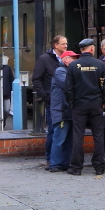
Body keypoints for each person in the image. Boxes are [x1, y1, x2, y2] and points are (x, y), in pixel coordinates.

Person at [64, 38, 105, 177]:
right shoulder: (100, 65)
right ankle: (99, 167)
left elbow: (68, 88)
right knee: (99, 136)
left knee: (78, 136)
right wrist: (103, 101)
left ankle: (76, 167)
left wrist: (72, 102)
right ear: (91, 49)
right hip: (96, 104)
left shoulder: (73, 65)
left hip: (79, 105)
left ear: (81, 50)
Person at [32, 35, 68, 165]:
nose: (65, 46)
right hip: (52, 101)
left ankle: (62, 158)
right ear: (55, 45)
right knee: (53, 129)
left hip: (66, 102)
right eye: (63, 44)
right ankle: (50, 158)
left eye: (66, 44)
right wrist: (46, 96)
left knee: (62, 130)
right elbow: (36, 79)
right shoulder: (44, 59)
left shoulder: (67, 59)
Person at [47, 49, 78, 171]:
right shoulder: (60, 72)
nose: (76, 61)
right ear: (65, 60)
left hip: (66, 111)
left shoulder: (66, 71)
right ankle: (55, 164)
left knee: (68, 140)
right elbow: (69, 85)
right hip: (61, 112)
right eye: (73, 58)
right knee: (59, 139)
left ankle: (64, 163)